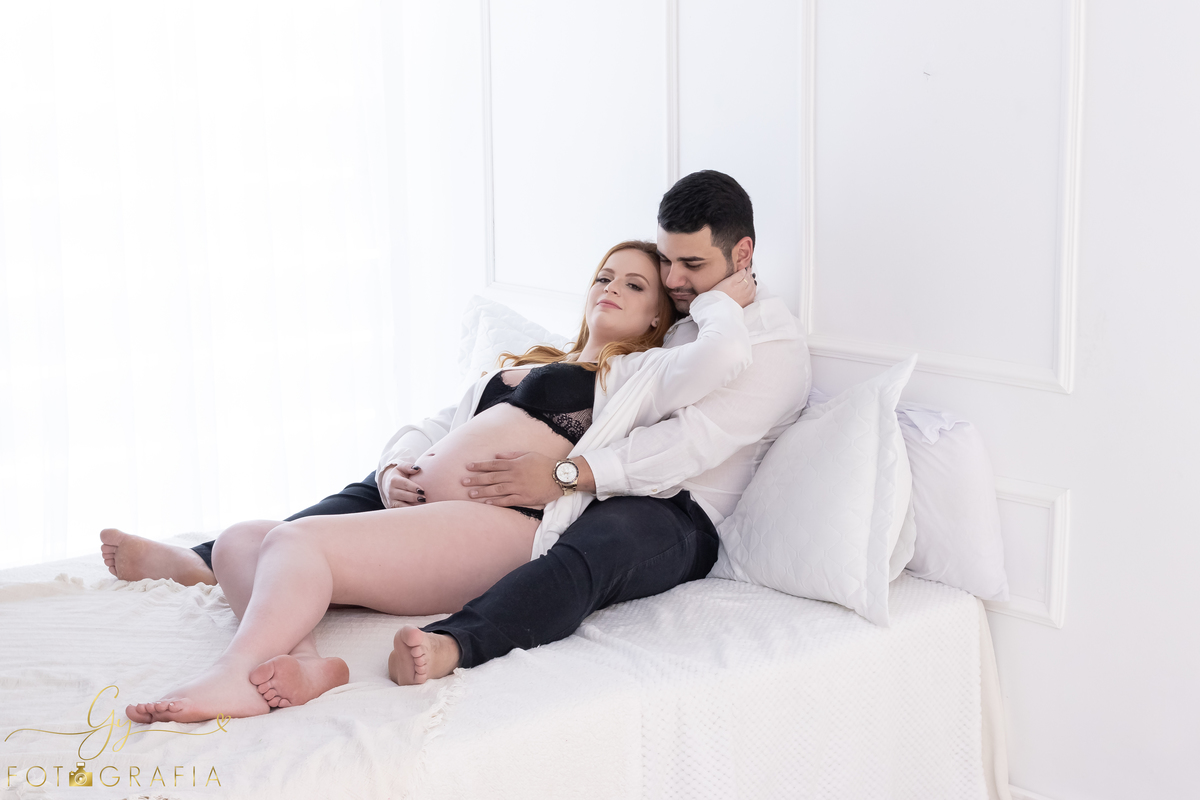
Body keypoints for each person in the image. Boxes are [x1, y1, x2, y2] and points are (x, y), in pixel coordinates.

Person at [122, 236, 758, 723]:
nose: (611, 287)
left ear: (656, 318)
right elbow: (439, 429)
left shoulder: (641, 377)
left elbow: (725, 355)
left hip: (505, 526)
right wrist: (396, 469)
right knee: (240, 541)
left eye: (635, 284)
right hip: (427, 516)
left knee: (296, 543)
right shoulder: (534, 361)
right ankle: (311, 667)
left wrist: (717, 299)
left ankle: (236, 673)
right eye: (603, 275)